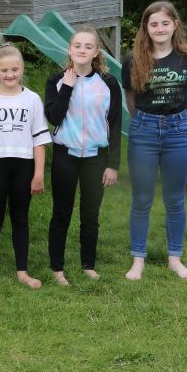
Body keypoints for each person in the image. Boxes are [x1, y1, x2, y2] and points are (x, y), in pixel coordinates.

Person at [122, 1, 187, 281]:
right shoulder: (133, 59)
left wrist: (181, 118)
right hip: (143, 131)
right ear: (146, 27)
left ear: (174, 25)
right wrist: (145, 122)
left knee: (175, 199)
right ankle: (138, 259)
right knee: (142, 199)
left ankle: (174, 258)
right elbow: (130, 98)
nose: (159, 28)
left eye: (165, 23)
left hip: (178, 132)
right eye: (153, 24)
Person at [44, 27, 122, 285]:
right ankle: (57, 268)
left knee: (90, 215)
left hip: (95, 158)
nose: (82, 50)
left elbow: (115, 124)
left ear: (96, 52)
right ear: (70, 49)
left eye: (88, 46)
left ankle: (88, 264)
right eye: (77, 45)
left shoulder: (108, 83)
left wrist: (112, 164)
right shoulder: (56, 80)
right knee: (61, 213)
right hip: (65, 155)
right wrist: (67, 87)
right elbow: (54, 117)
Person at [0, 44, 51, 292]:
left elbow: (39, 140)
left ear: (22, 69)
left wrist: (38, 174)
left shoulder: (32, 99)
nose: (10, 74)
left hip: (23, 165)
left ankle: (22, 272)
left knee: (20, 219)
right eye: (4, 70)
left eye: (15, 69)